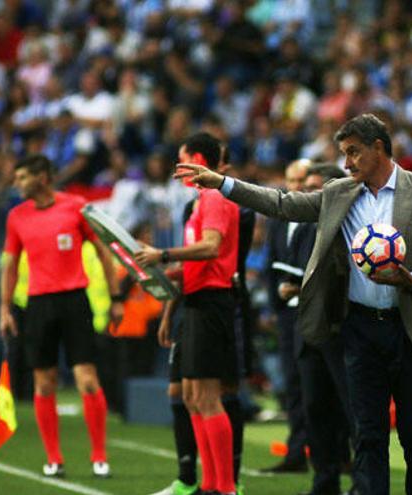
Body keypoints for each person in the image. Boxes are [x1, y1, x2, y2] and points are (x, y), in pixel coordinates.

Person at [174, 113, 412, 495]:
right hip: (359, 328)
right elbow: (281, 203)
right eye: (344, 154)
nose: (346, 163)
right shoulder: (339, 193)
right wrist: (224, 183)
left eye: (354, 153)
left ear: (379, 148)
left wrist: (411, 278)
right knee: (369, 435)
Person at [0, 154, 124, 478]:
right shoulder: (16, 216)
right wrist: (4, 308)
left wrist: (115, 297)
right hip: (38, 305)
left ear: (42, 178)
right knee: (44, 383)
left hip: (74, 301)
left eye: (22, 177)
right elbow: (10, 266)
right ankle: (54, 458)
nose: (17, 184)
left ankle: (99, 456)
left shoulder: (76, 206)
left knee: (87, 379)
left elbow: (103, 251)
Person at [137, 132, 241, 495]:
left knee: (209, 398)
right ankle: (209, 485)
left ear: (196, 158)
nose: (175, 170)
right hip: (196, 301)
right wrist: (164, 272)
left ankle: (225, 488)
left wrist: (165, 256)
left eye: (181, 160)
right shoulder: (198, 203)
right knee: (194, 398)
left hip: (212, 302)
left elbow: (211, 248)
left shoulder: (214, 197)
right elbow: (199, 259)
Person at [286, 163, 355, 495]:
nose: (309, 193)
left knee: (353, 409)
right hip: (308, 332)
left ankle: (364, 482)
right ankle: (324, 482)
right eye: (308, 187)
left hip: (341, 331)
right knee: (315, 408)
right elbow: (289, 279)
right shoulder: (302, 230)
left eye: (317, 187)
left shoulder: (350, 228)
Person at [262, 158, 311, 474]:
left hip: (310, 313)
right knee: (293, 385)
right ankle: (296, 453)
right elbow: (271, 265)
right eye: (290, 180)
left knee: (315, 387)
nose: (294, 187)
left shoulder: (317, 217)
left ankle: (331, 456)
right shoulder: (279, 219)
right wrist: (274, 304)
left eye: (300, 181)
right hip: (286, 315)